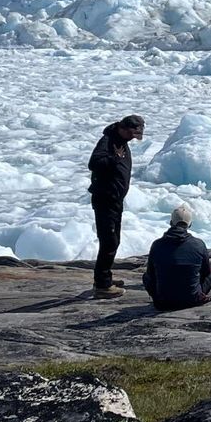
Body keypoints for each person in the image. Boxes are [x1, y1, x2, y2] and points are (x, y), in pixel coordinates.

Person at [87, 114, 145, 298]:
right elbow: (94, 163)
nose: (133, 138)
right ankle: (102, 285)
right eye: (132, 134)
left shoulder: (120, 140)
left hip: (114, 200)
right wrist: (114, 158)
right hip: (105, 200)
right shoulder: (108, 141)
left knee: (114, 240)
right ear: (123, 128)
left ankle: (104, 278)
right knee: (109, 241)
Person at [143, 201, 211, 311]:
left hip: (162, 302)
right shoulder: (198, 244)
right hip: (192, 300)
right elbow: (206, 272)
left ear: (171, 222)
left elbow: (150, 275)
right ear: (190, 224)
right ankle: (198, 293)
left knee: (145, 276)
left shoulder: (157, 244)